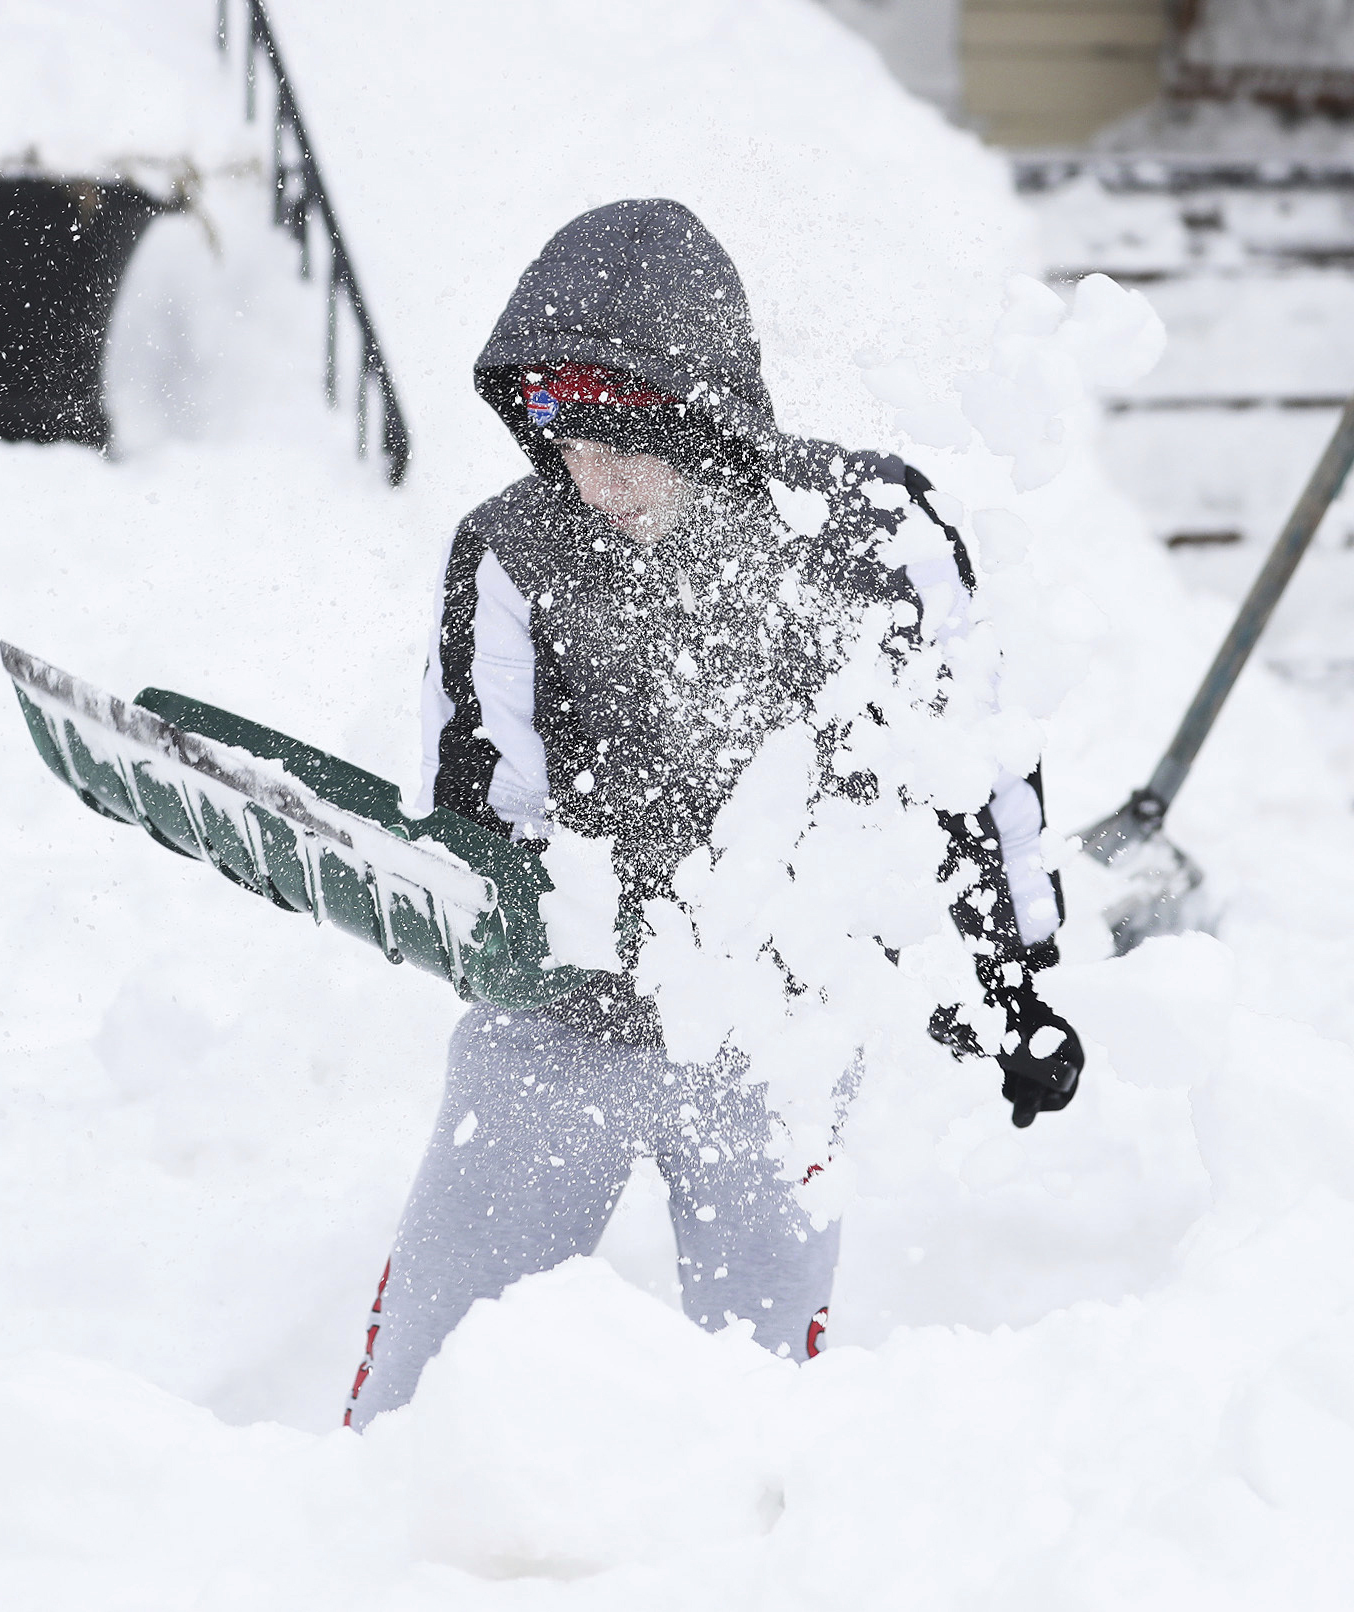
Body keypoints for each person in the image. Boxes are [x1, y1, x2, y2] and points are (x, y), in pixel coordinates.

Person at [342, 199, 1082, 1427]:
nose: (593, 478)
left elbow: (974, 765)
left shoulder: (875, 533)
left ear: (699, 410)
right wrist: (489, 900)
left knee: (759, 1414)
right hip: (559, 1029)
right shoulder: (514, 553)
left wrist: (1011, 976)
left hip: (774, 1033)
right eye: (561, 442)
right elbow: (483, 813)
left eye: (620, 442)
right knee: (426, 1387)